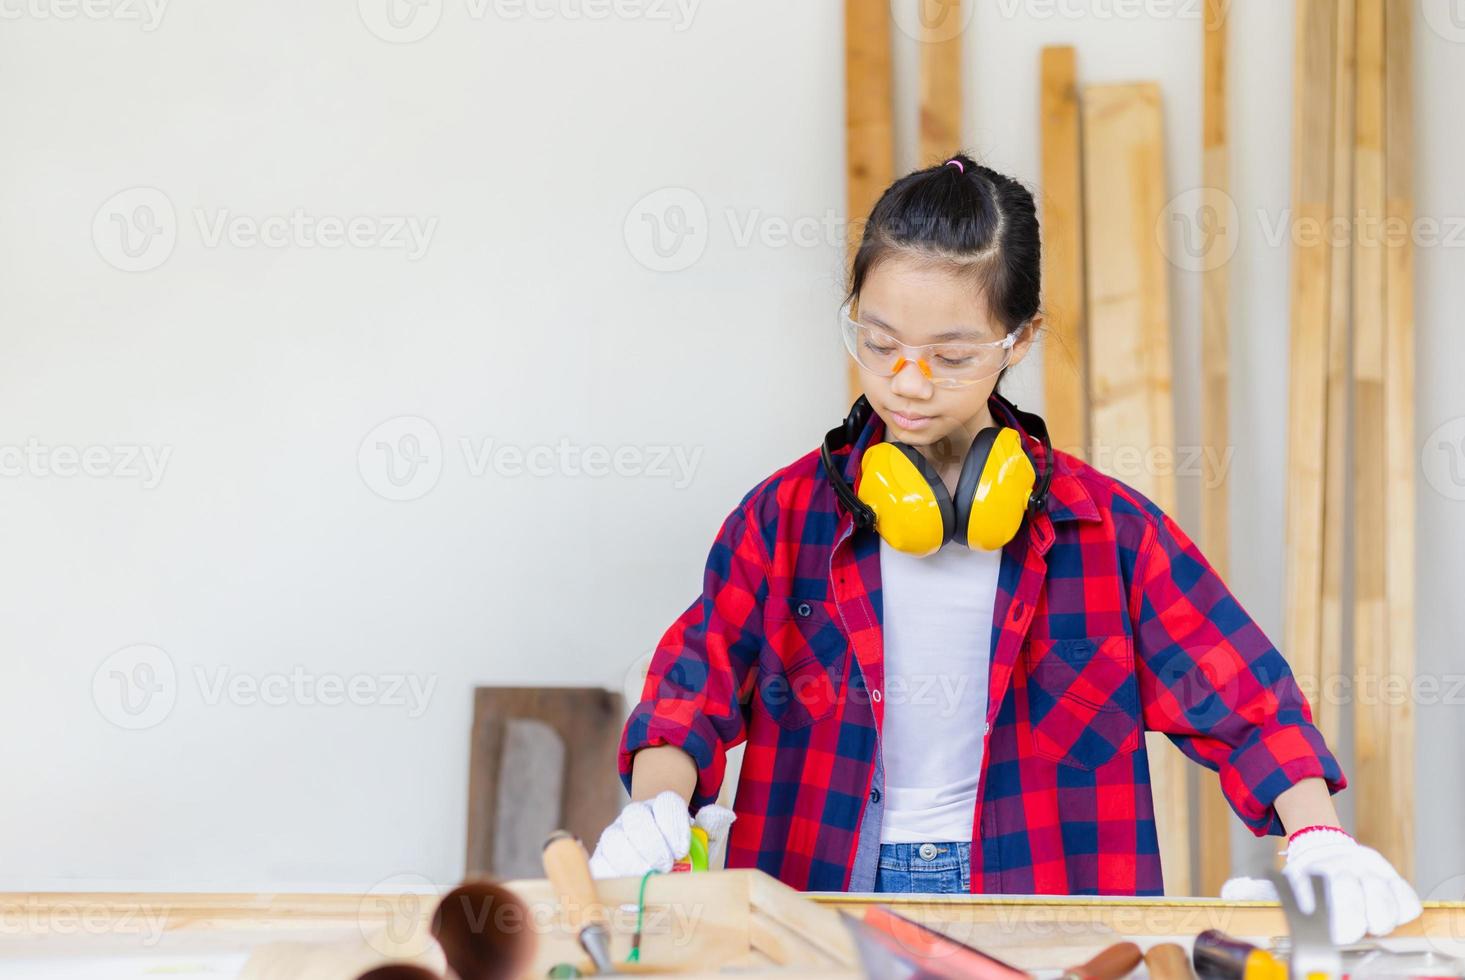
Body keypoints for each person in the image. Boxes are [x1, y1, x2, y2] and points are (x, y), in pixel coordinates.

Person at [590, 153, 1421, 945]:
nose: (908, 382)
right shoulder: (783, 521)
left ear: (1017, 341)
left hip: (1041, 904)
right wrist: (655, 809)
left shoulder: (1107, 532)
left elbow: (1248, 701)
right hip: (819, 896)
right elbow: (689, 689)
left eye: (951, 356)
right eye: (878, 344)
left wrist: (1317, 838)